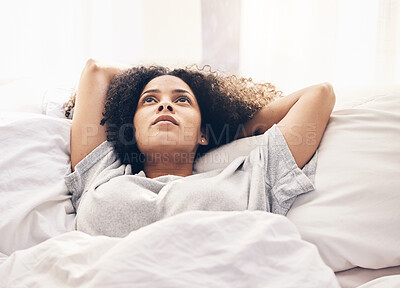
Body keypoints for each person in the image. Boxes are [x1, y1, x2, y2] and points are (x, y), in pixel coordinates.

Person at [64, 59, 336, 237]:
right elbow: (95, 72)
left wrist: (231, 129)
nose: (165, 105)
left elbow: (319, 94)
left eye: (182, 100)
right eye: (149, 100)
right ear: (131, 129)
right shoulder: (102, 175)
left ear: (203, 133)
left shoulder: (250, 180)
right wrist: (158, 78)